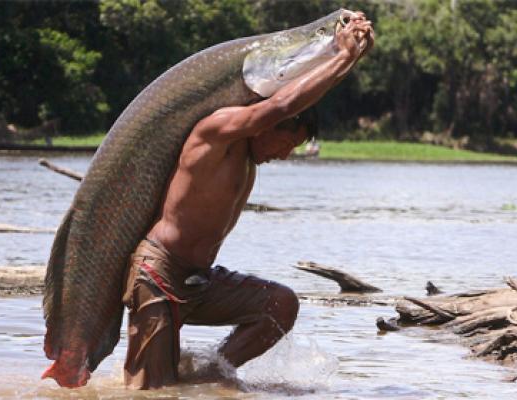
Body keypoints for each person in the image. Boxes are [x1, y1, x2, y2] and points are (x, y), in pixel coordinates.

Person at [122, 12, 374, 389]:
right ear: (266, 127)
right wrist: (342, 57)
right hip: (159, 275)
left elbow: (286, 102)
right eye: (286, 144)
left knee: (280, 304)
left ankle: (209, 374)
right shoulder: (217, 132)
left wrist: (349, 53)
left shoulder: (248, 160)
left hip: (200, 279)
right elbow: (279, 105)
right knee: (149, 393)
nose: (286, 155)